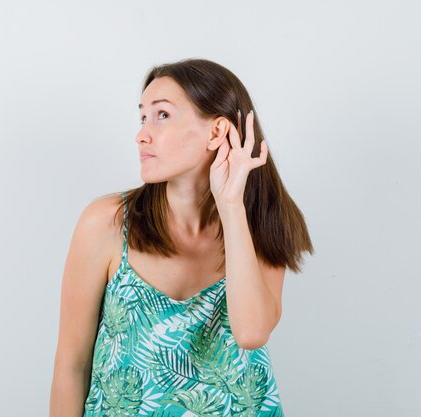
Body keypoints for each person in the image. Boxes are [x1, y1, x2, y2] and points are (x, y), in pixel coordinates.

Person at [50, 58, 314, 417]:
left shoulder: (262, 223)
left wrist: (231, 204)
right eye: (143, 117)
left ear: (216, 132)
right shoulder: (106, 223)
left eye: (162, 115)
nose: (142, 134)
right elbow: (71, 366)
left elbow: (251, 332)